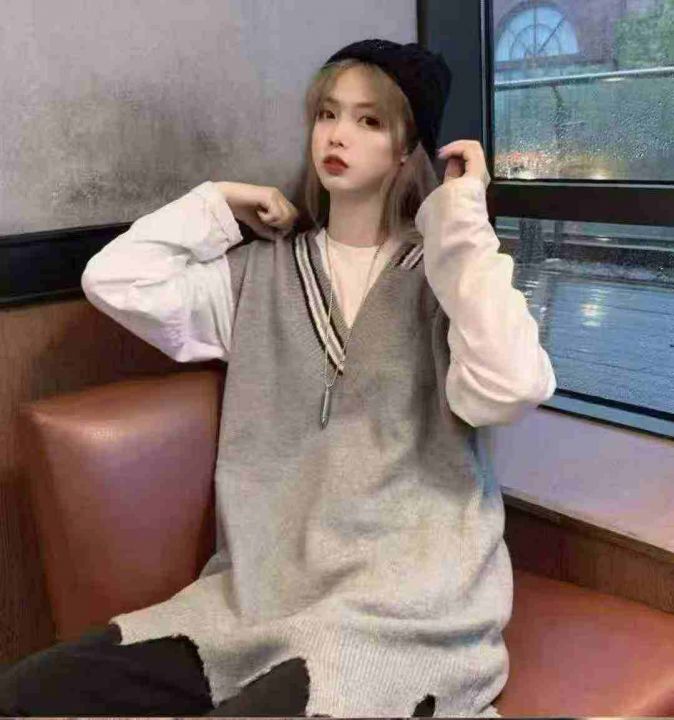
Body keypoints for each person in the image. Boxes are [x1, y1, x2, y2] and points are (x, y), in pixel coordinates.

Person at [0, 38, 556, 717]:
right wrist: (218, 202)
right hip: (254, 599)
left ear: (406, 149)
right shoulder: (258, 276)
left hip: (405, 608)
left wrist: (459, 218)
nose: (337, 135)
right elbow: (113, 279)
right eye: (327, 113)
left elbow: (510, 386)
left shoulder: (445, 284)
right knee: (25, 693)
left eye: (369, 120)